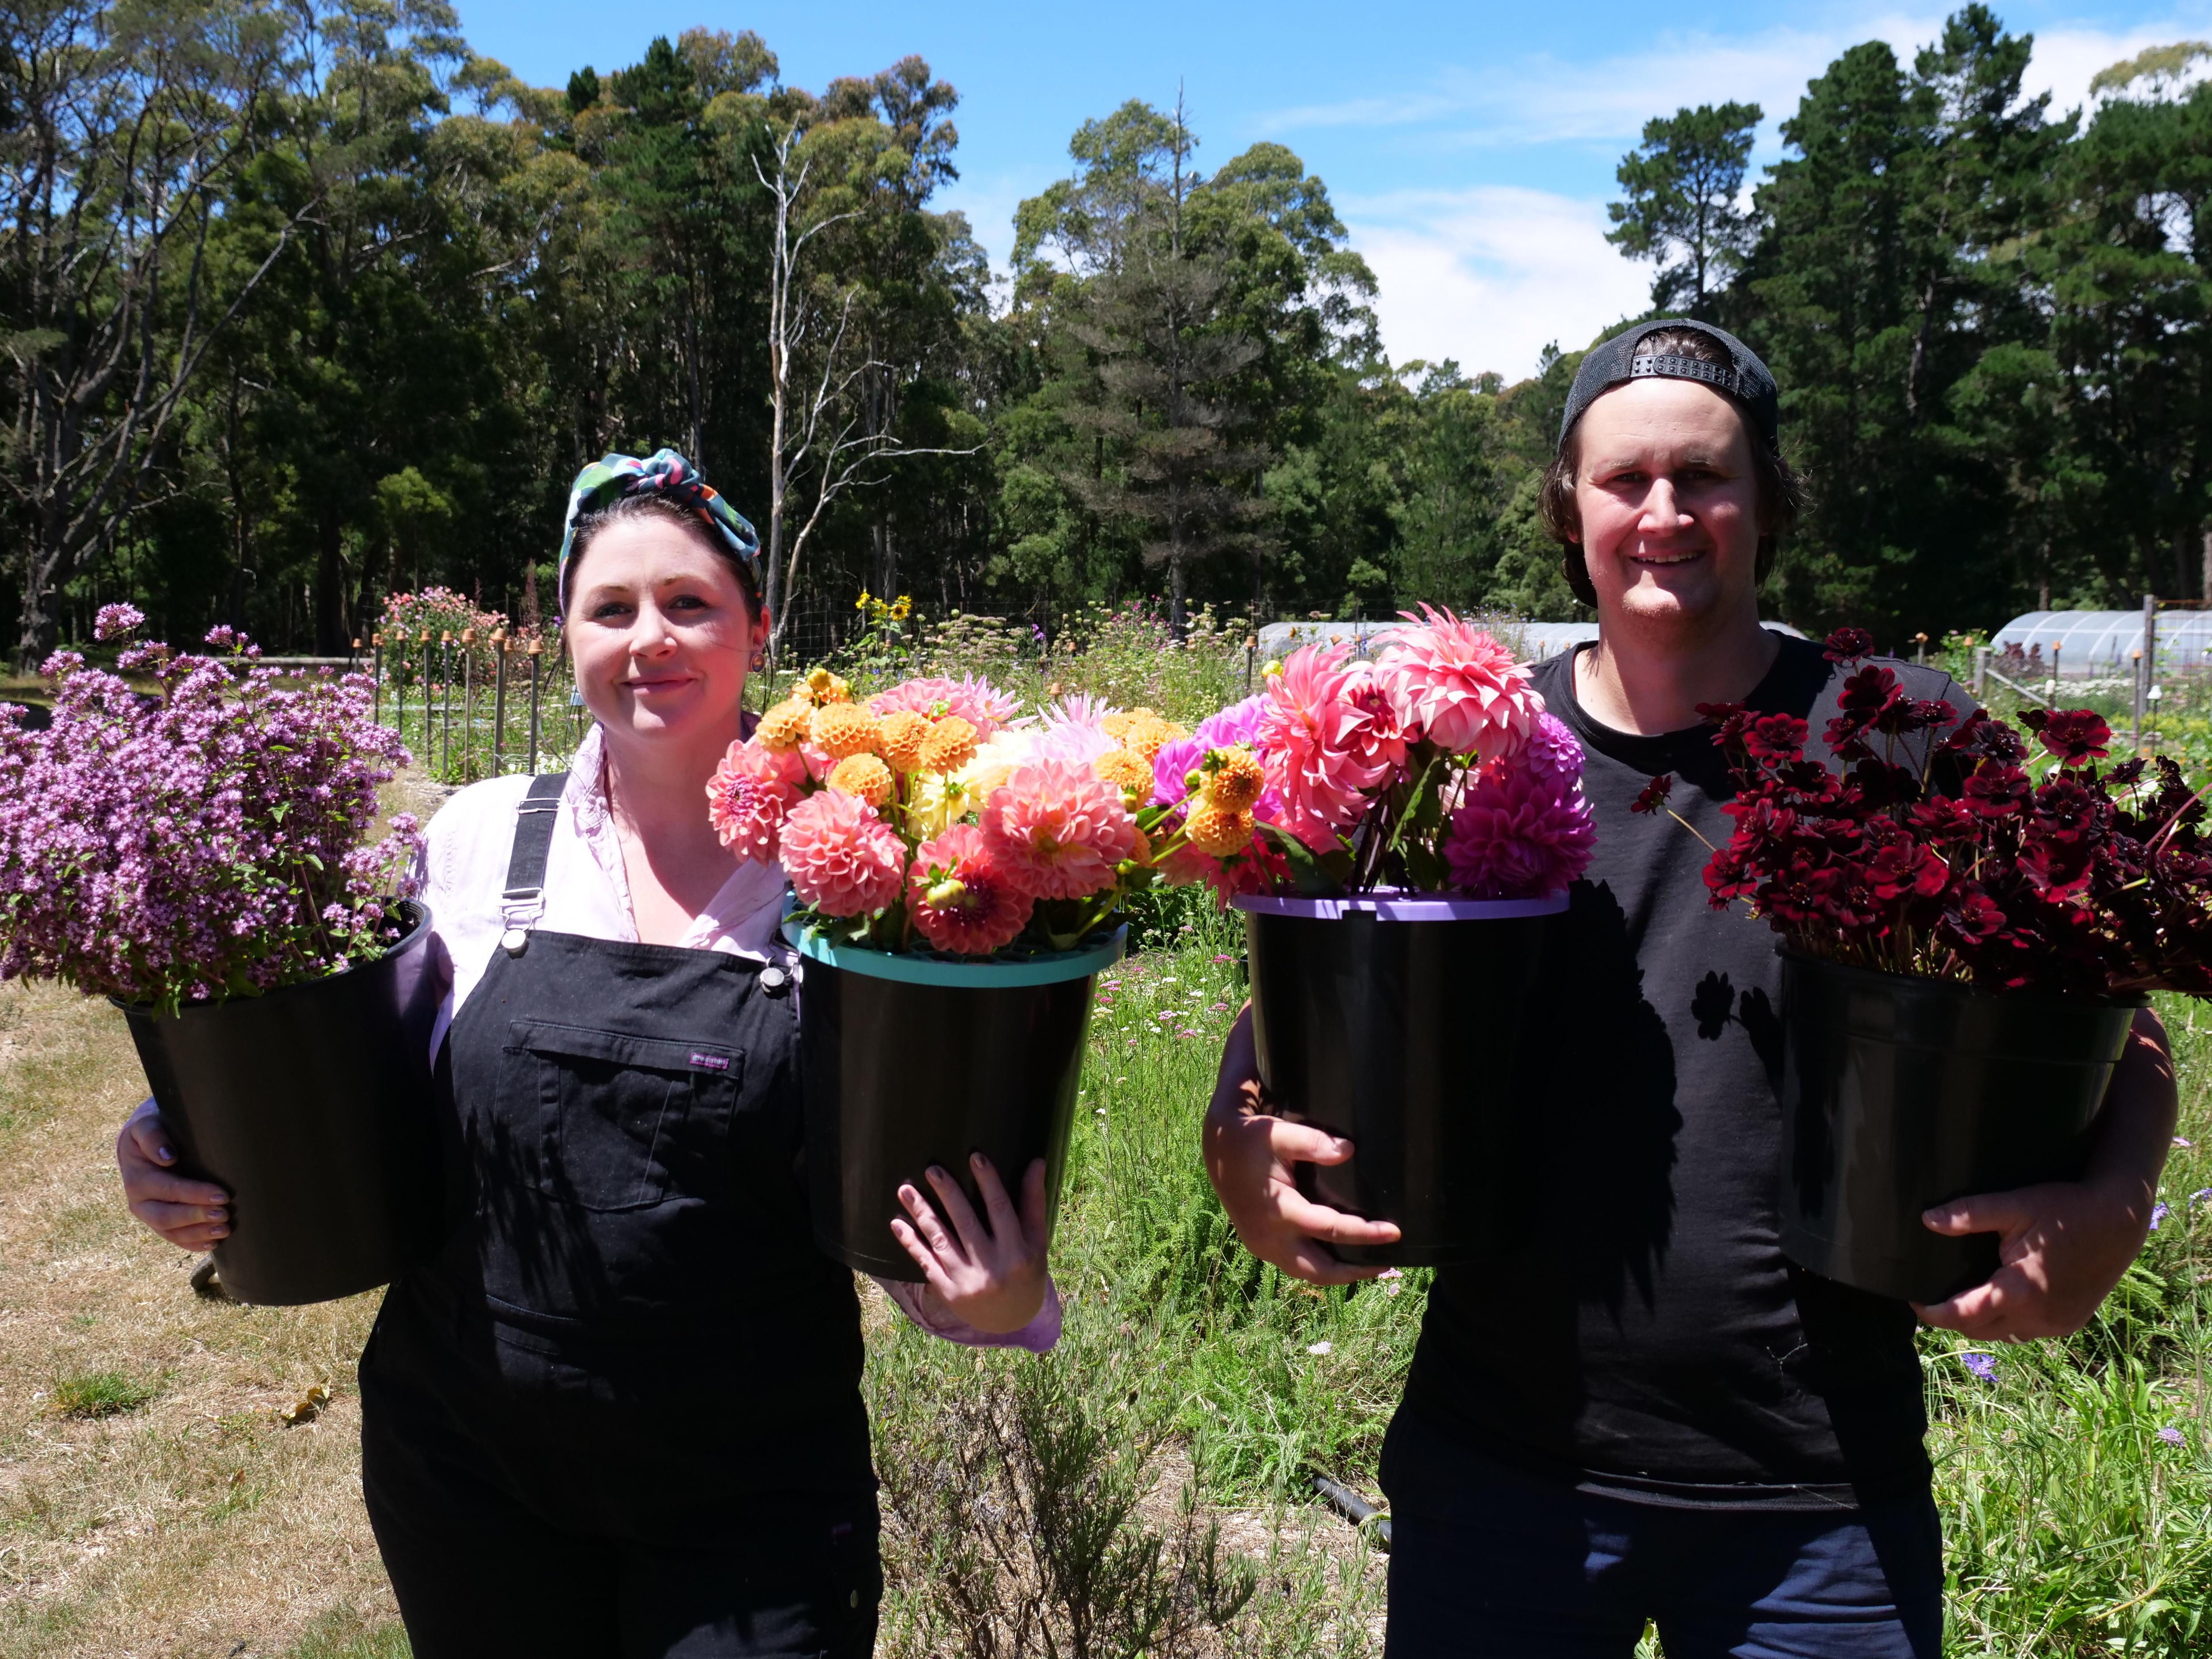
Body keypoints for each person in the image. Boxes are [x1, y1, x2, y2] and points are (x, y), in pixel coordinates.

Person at [1204, 323, 2179, 1658]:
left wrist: (2112, 1204)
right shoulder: (1470, 751)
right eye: (1625, 480)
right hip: (1505, 1477)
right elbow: (1314, 984)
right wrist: (1237, 1143)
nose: (1663, 514)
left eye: (1705, 477)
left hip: (1819, 1501)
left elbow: (2115, 1014)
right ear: (1570, 509)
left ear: (1768, 501)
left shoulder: (1894, 733)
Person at [118, 449, 1060, 1658]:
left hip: (748, 1506)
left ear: (758, 630)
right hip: (467, 1476)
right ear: (563, 636)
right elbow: (334, 1076)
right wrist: (173, 1137)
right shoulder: (477, 842)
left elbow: (910, 1171)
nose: (648, 637)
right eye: (609, 608)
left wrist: (1004, 1301)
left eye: (689, 602)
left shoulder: (860, 878)